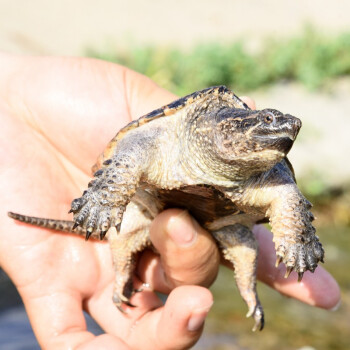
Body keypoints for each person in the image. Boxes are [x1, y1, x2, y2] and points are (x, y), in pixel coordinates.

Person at [0, 53, 340, 350]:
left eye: (288, 130)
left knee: (244, 247)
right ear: (232, 124)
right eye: (267, 121)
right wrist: (103, 199)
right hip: (145, 209)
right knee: (123, 232)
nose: (285, 129)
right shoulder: (172, 134)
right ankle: (120, 280)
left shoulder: (272, 179)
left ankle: (249, 296)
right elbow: (129, 154)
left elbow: (287, 197)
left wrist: (297, 239)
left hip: (225, 221)